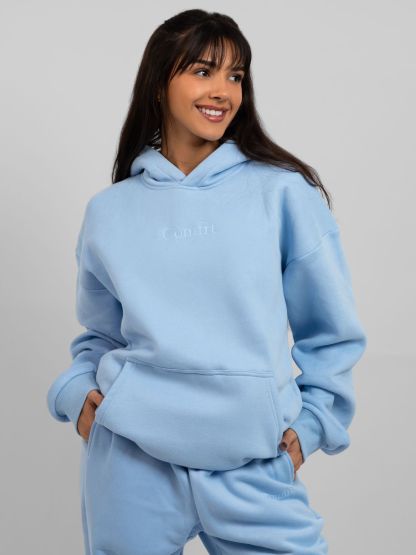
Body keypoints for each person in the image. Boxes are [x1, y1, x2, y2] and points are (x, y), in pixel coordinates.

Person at [46, 9, 367, 555]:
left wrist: (313, 424)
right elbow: (101, 335)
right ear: (159, 82)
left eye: (235, 76)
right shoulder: (110, 211)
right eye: (202, 71)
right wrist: (77, 395)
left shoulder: (282, 194)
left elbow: (331, 332)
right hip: (131, 464)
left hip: (253, 465)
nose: (222, 91)